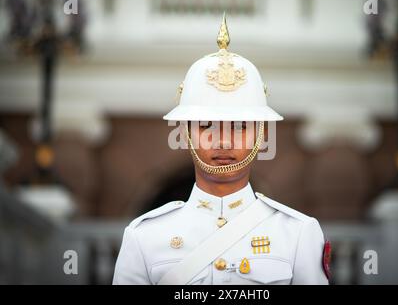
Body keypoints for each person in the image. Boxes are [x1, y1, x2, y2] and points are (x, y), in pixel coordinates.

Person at [113, 15, 330, 285]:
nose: (223, 142)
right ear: (185, 133)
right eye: (206, 126)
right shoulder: (143, 237)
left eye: (239, 126)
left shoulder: (297, 234)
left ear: (261, 134)